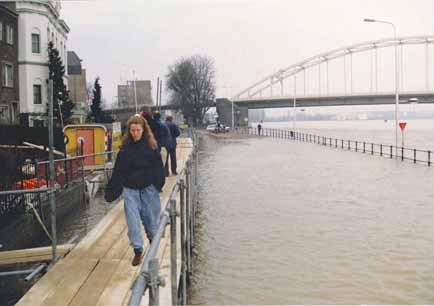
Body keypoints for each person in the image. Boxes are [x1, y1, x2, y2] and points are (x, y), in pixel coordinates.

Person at [104, 115, 165, 266]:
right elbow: (118, 171)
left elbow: (159, 167)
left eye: (138, 130)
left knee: (151, 221)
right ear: (129, 131)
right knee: (132, 222)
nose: (135, 133)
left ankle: (153, 243)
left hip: (148, 188)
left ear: (143, 130)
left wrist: (158, 185)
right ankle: (138, 250)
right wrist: (112, 190)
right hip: (130, 189)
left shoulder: (151, 147)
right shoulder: (125, 150)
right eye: (132, 130)